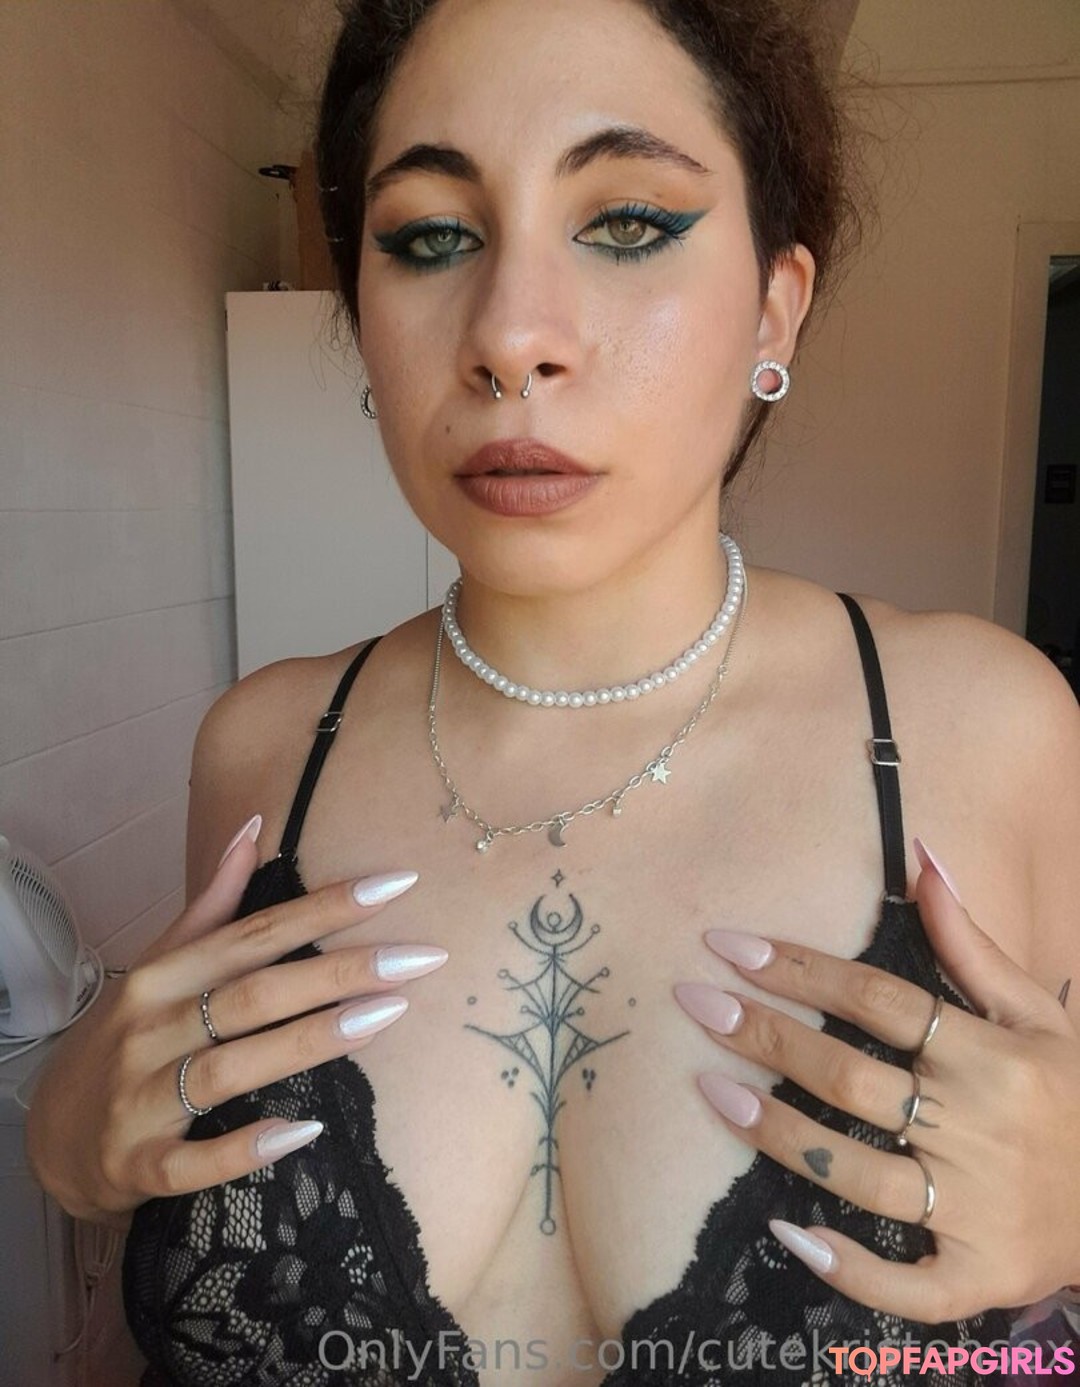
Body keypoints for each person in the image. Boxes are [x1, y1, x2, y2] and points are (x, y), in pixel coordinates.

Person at [25, 0, 1080, 1383]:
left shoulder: (987, 729)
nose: (511, 336)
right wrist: (60, 1137)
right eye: (429, 237)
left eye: (628, 221)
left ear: (775, 306)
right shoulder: (265, 748)